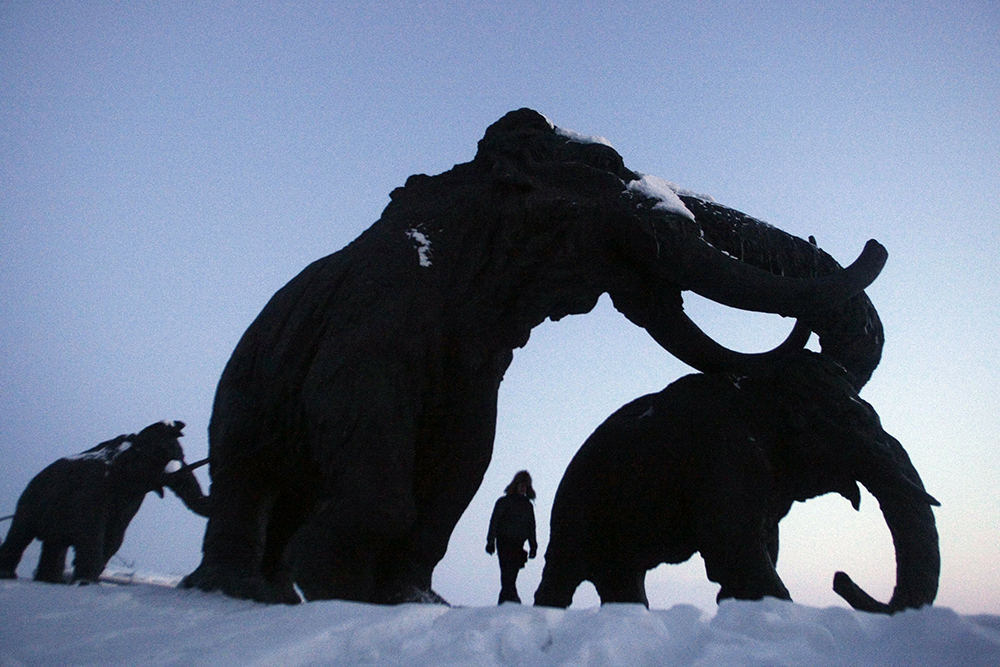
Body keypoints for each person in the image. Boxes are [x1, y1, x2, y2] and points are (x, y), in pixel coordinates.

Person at [485, 470, 538, 604]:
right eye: (521, 485)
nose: (523, 488)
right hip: (504, 542)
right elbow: (494, 521)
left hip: (518, 545)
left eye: (525, 486)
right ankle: (512, 602)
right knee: (507, 575)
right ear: (516, 485)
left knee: (511, 576)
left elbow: (531, 527)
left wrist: (533, 546)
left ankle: (506, 603)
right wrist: (490, 541)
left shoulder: (528, 506)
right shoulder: (504, 502)